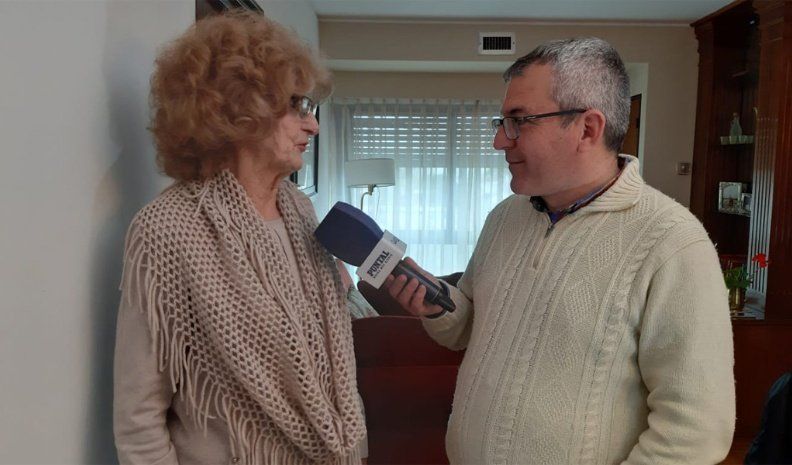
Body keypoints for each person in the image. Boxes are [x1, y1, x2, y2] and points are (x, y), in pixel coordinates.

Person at [385, 37, 735, 464]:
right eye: (502, 121)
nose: (499, 141)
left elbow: (695, 430)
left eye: (519, 121)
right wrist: (438, 308)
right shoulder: (504, 218)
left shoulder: (673, 243)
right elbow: (469, 330)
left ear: (587, 128)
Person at [113, 11, 369, 465]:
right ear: (238, 109)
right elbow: (138, 419)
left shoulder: (300, 209)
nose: (313, 125)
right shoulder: (167, 230)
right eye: (296, 105)